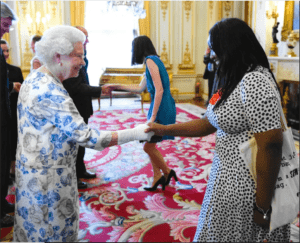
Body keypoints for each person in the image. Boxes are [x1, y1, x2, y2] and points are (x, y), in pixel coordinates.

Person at [145, 18, 290, 241]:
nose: (211, 55)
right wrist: (163, 129)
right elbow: (208, 122)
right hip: (225, 182)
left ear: (231, 47)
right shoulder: (235, 78)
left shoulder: (255, 81)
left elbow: (271, 146)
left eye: (215, 49)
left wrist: (262, 208)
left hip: (247, 190)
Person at [13, 25, 153, 241]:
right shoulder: (49, 91)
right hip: (49, 183)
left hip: (33, 174)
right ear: (58, 56)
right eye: (79, 55)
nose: (83, 61)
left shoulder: (36, 77)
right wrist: (136, 132)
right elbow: (90, 138)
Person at [104, 35, 177, 191]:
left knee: (148, 147)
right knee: (150, 143)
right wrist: (117, 86)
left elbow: (159, 90)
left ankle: (167, 172)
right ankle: (157, 176)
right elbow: (139, 88)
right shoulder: (152, 60)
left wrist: (152, 117)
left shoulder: (151, 61)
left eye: (133, 48)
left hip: (162, 107)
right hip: (160, 105)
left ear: (139, 48)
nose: (132, 51)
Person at [63, 26, 105, 189]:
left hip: (83, 106)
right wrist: (100, 90)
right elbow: (75, 87)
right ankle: (73, 177)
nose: (87, 40)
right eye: (84, 37)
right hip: (74, 107)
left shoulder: (82, 56)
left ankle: (80, 170)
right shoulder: (69, 58)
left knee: (81, 143)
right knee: (73, 145)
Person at [0, 2, 21, 228]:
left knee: (5, 160)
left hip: (5, 118)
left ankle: (3, 202)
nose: (6, 30)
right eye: (5, 23)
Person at [0, 39, 24, 185]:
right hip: (2, 113)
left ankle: (13, 170)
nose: (6, 54)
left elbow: (22, 91)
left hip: (14, 111)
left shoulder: (16, 70)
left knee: (14, 140)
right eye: (2, 51)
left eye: (7, 50)